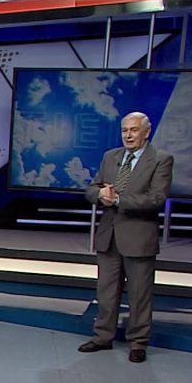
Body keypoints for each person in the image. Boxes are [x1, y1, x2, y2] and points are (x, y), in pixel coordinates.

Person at [79, 111, 174, 363]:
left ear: (147, 132)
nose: (128, 135)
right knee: (106, 292)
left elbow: (156, 199)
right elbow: (91, 189)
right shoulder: (110, 157)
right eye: (124, 130)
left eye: (133, 130)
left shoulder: (161, 160)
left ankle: (138, 343)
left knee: (139, 294)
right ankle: (102, 337)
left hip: (138, 237)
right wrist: (100, 195)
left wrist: (119, 200)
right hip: (108, 236)